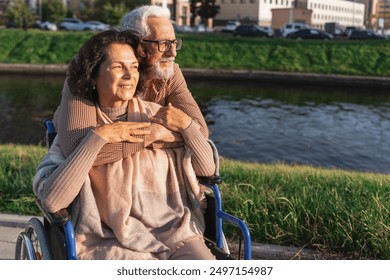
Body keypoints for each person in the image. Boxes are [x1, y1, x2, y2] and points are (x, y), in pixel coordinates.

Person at [33, 29, 216, 260]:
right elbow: (52, 200)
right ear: (93, 75)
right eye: (118, 67)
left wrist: (187, 128)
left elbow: (208, 169)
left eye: (134, 67)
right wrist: (98, 138)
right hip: (107, 239)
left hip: (173, 231)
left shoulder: (158, 116)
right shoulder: (78, 133)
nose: (129, 75)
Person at [55, 5, 208, 166]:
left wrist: (156, 134)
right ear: (138, 44)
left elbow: (201, 133)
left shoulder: (171, 73)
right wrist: (159, 134)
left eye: (174, 43)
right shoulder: (88, 67)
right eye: (163, 44)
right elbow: (74, 150)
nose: (173, 53)